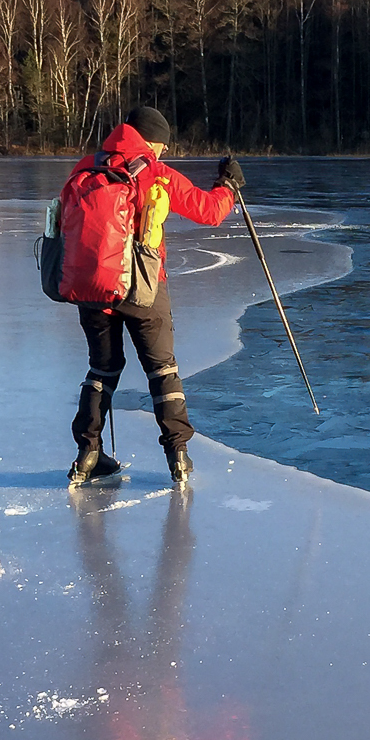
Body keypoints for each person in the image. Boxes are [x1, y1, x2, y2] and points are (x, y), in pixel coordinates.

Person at [58, 105, 244, 487]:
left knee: (102, 368)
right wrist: (228, 186)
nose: (161, 154)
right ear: (152, 141)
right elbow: (208, 211)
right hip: (144, 285)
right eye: (161, 146)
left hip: (92, 286)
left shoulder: (84, 167)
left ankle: (87, 454)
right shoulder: (154, 172)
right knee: (162, 368)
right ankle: (178, 457)